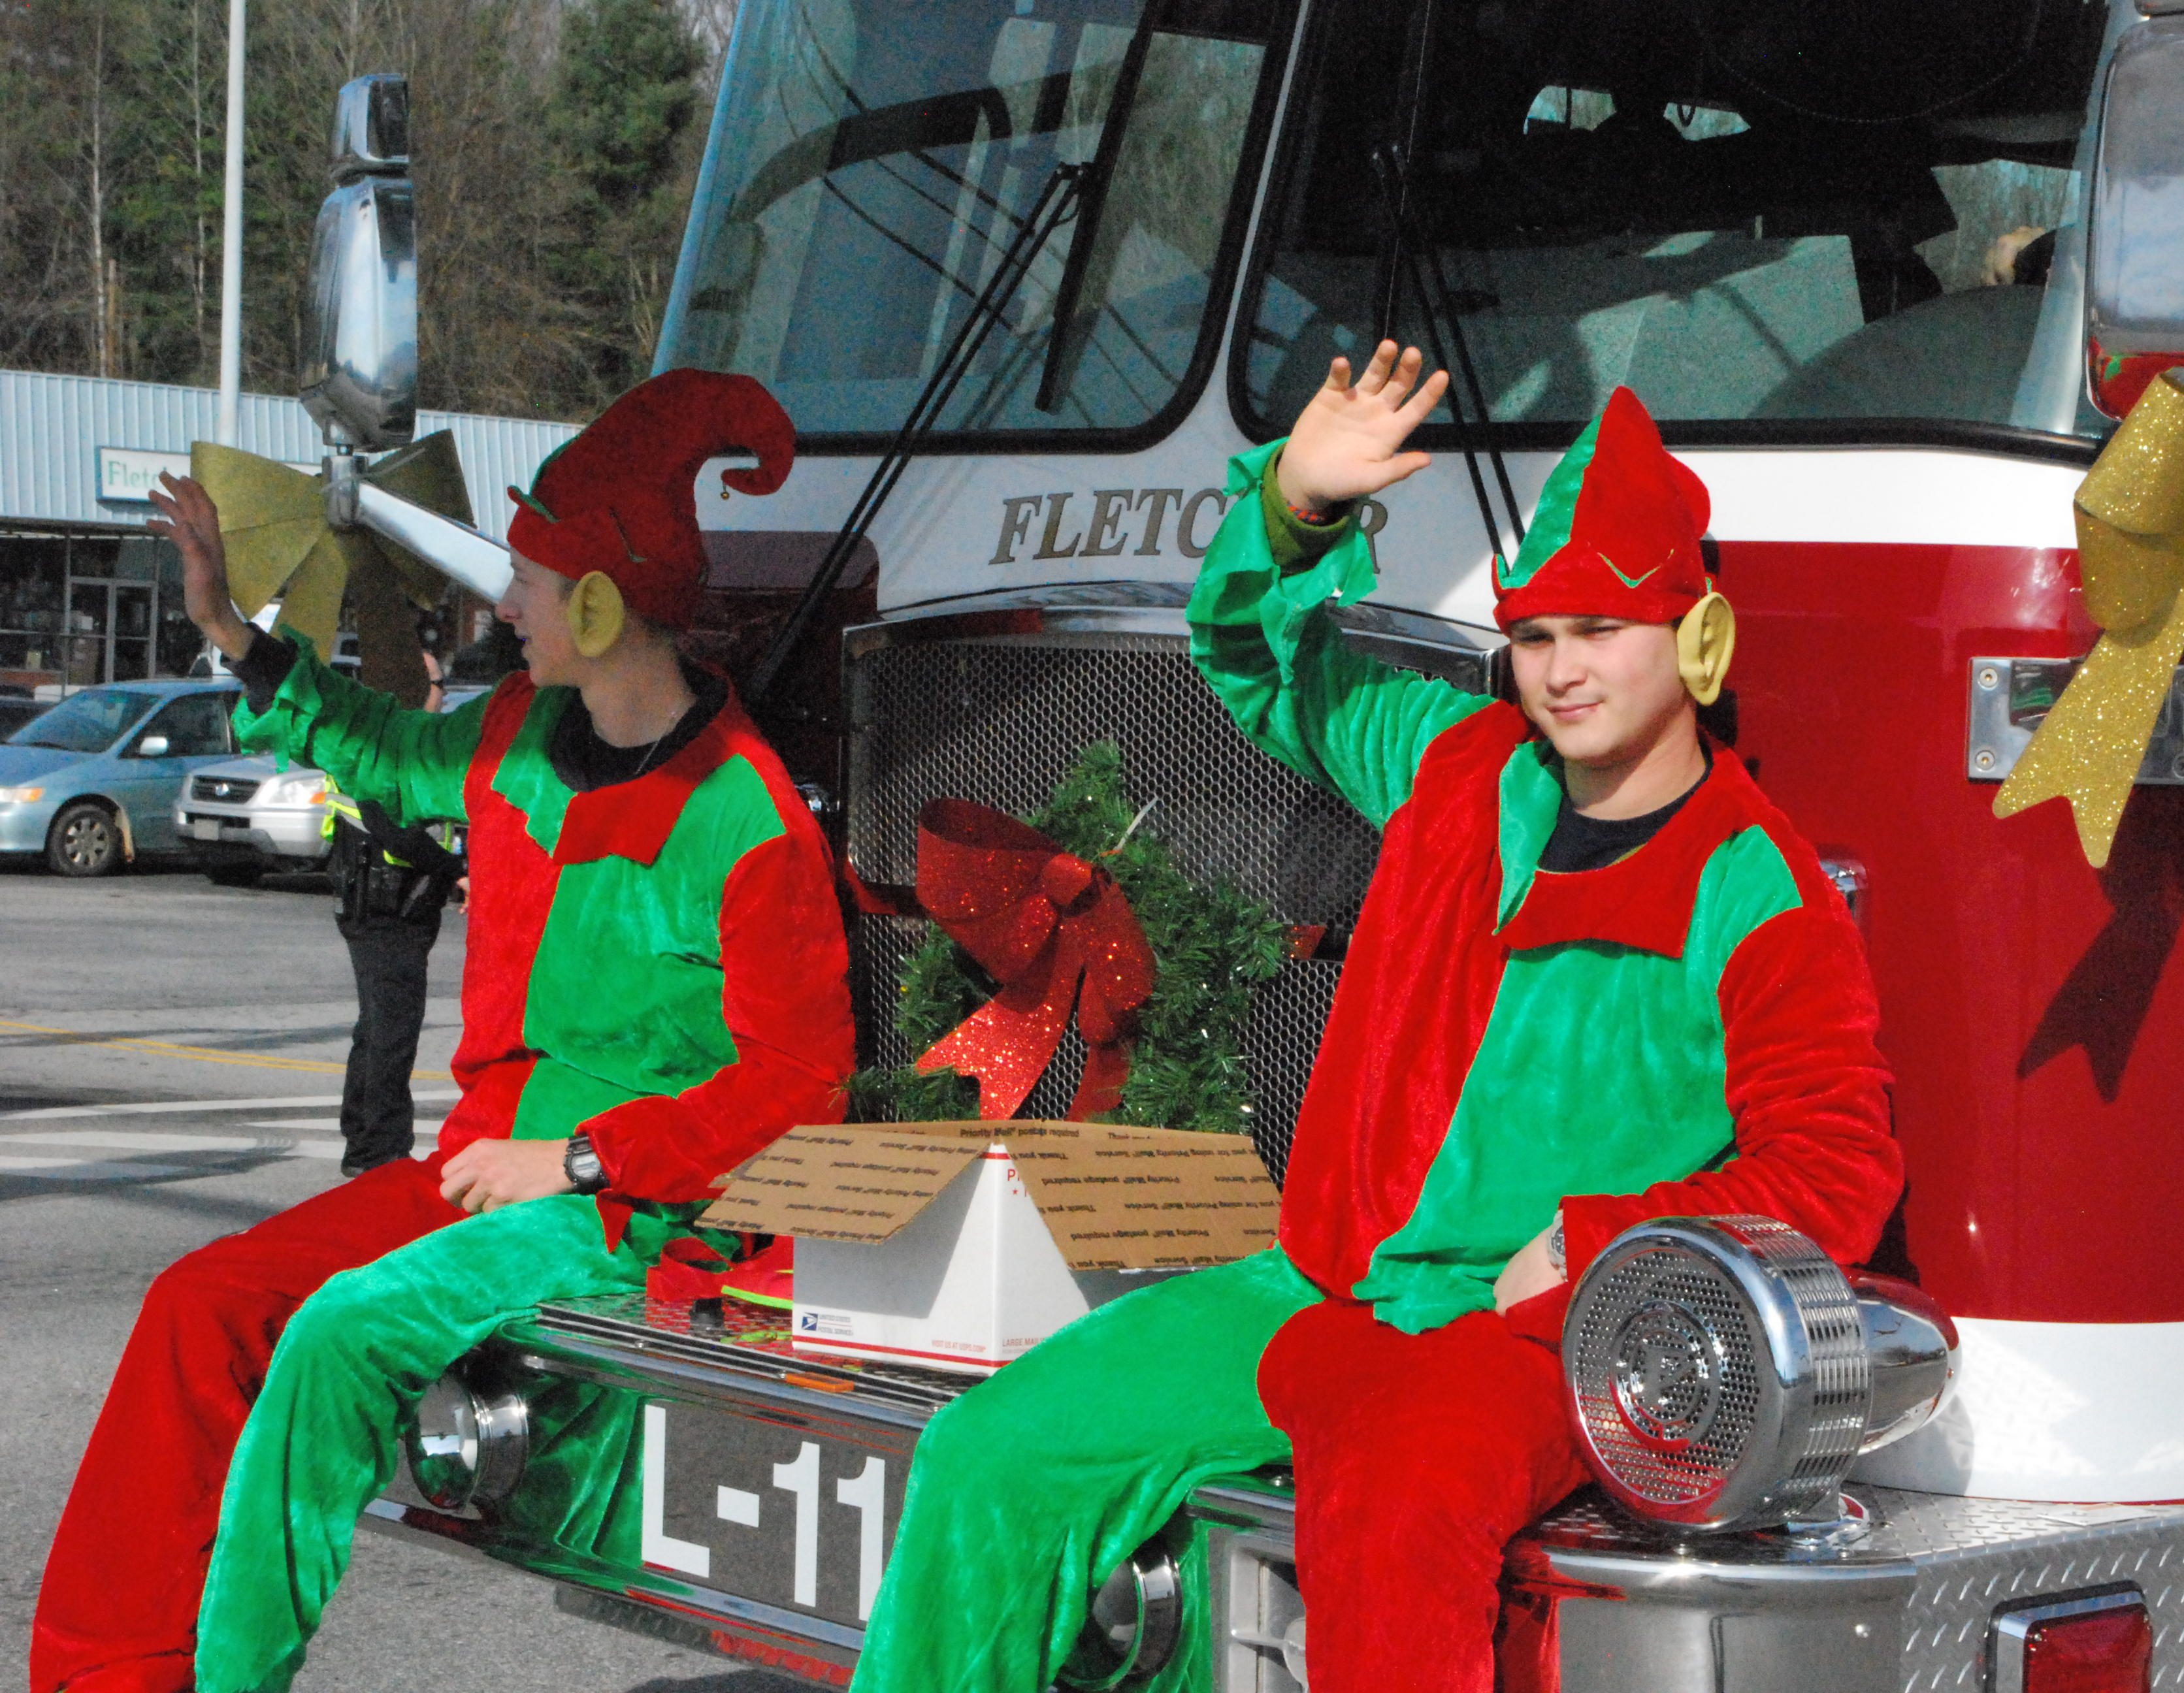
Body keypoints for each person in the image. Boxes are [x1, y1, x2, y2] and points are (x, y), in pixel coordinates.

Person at [851, 346, 1902, 1693]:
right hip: (1314, 1285)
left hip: (1528, 1333)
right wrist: (1295, 504)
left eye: (1598, 634)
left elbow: (1833, 1169)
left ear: (1695, 640)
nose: (1560, 672)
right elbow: (1254, 659)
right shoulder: (1455, 765)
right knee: (993, 1450)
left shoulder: (1760, 885)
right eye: (1533, 638)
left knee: (1396, 1520)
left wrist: (1596, 1244)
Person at [29, 368, 857, 1693]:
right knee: (202, 1303)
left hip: (621, 1204)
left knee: (339, 1336)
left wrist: (585, 1160)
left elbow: (801, 1081)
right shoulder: (525, 732)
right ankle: (105, 1673)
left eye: (526, 581)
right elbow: (384, 755)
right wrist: (233, 635)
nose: (503, 606)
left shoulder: (749, 816)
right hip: (477, 1169)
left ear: (595, 602)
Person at [325, 779, 464, 1176]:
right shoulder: (375, 762)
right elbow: (396, 836)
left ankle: (364, 1140)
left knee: (376, 1028)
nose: (438, 711)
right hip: (385, 909)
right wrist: (461, 871)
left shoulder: (373, 750)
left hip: (380, 905)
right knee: (392, 1032)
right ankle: (380, 1150)